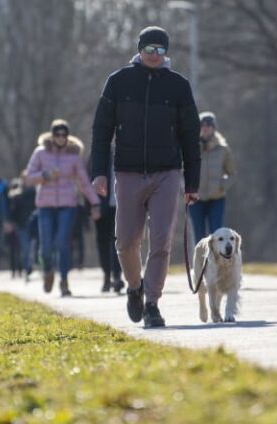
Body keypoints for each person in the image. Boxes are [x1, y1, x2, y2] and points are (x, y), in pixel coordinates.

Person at [90, 26, 201, 328]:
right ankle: (134, 286)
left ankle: (152, 303)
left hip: (167, 172)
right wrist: (98, 172)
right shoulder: (118, 81)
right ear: (139, 50)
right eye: (149, 49)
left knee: (162, 240)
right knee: (126, 241)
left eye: (160, 50)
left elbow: (190, 137)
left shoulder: (178, 86)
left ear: (167, 53)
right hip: (128, 172)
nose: (155, 55)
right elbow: (101, 131)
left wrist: (192, 182)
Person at [25, 119, 101, 296]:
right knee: (45, 246)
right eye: (57, 134)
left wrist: (95, 202)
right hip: (45, 206)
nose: (61, 137)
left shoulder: (74, 156)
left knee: (62, 242)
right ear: (52, 136)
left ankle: (64, 280)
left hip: (68, 205)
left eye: (64, 135)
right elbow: (28, 177)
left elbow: (84, 182)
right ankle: (48, 271)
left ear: (67, 136)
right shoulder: (40, 153)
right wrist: (45, 175)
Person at [189, 111, 236, 243]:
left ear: (214, 127)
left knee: (217, 234)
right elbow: (181, 171)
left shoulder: (223, 149)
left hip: (217, 199)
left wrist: (222, 186)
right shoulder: (190, 147)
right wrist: (185, 188)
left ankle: (216, 257)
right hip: (196, 198)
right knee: (199, 236)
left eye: (208, 125)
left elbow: (232, 173)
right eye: (202, 125)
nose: (205, 128)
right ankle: (202, 257)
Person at [95, 148, 124, 294]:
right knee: (103, 243)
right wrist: (92, 205)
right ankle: (107, 275)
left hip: (121, 206)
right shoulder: (100, 153)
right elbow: (89, 179)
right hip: (101, 206)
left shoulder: (128, 151)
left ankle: (117, 276)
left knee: (117, 241)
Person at [9, 173, 37, 281]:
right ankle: (27, 269)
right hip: (22, 226)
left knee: (35, 249)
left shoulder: (37, 194)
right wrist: (12, 222)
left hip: (35, 227)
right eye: (25, 179)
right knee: (25, 249)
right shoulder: (17, 196)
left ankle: (36, 266)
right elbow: (13, 212)